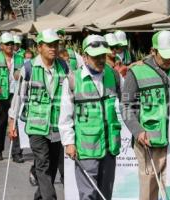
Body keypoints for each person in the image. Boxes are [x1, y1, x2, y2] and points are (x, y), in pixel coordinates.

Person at [121, 30, 170, 200]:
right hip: (149, 143)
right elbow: (126, 106)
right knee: (149, 191)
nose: (169, 60)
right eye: (165, 55)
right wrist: (138, 131)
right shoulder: (135, 72)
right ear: (153, 51)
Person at [59, 34, 121, 200]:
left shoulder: (114, 76)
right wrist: (69, 142)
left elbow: (126, 104)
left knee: (105, 194)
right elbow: (65, 116)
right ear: (85, 57)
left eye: (103, 55)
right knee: (88, 194)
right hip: (86, 148)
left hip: (109, 146)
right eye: (96, 57)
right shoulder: (72, 80)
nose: (101, 60)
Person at [8, 28, 68, 200]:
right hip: (36, 127)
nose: (53, 48)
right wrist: (12, 122)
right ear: (39, 47)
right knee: (42, 164)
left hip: (57, 126)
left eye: (55, 44)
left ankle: (40, 197)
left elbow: (73, 90)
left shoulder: (63, 66)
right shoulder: (29, 68)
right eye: (49, 45)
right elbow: (18, 96)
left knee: (52, 167)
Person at [0, 32, 24, 161]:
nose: (10, 46)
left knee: (16, 124)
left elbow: (25, 75)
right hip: (0, 95)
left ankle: (17, 153)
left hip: (15, 94)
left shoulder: (20, 59)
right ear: (1, 45)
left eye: (12, 43)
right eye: (7, 44)